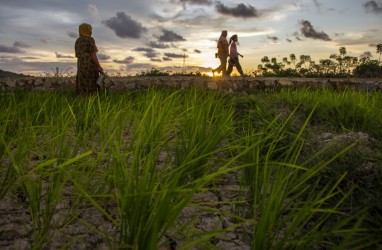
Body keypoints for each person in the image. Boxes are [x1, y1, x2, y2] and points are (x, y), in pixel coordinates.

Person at [75, 23, 103, 95]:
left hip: (81, 64)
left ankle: (82, 99)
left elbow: (78, 55)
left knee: (83, 82)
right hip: (90, 64)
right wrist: (98, 66)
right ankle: (92, 100)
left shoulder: (77, 41)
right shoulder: (90, 39)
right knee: (92, 81)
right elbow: (93, 54)